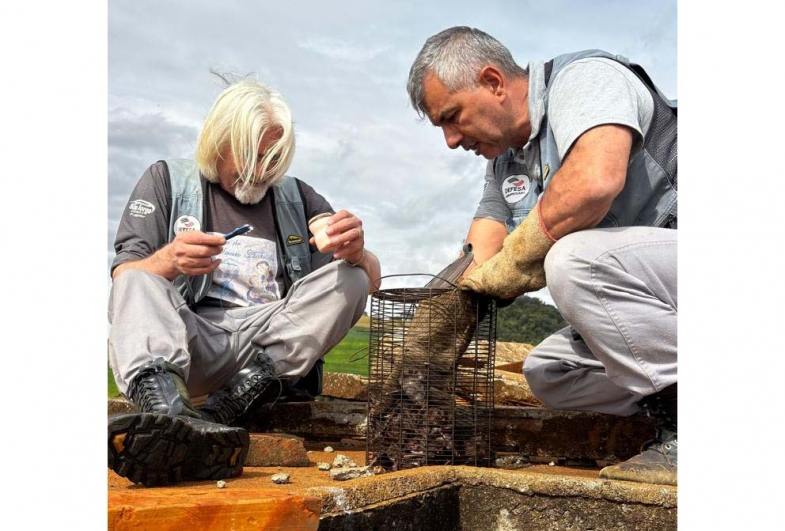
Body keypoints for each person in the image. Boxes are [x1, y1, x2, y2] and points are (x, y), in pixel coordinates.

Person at [407, 27, 676, 486]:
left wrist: (521, 256)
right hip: (662, 299)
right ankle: (666, 410)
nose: (451, 140)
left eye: (452, 117)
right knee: (549, 372)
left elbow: (594, 181)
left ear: (493, 82)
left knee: (572, 260)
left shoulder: (585, 78)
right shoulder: (505, 163)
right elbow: (481, 257)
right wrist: (423, 341)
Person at [107, 77, 381, 487]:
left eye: (274, 156)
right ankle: (168, 412)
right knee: (136, 280)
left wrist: (358, 251)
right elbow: (123, 275)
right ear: (220, 141)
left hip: (267, 354)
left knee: (352, 279)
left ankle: (224, 412)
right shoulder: (166, 179)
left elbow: (371, 280)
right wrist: (169, 259)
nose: (263, 169)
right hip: (189, 341)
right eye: (253, 155)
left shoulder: (297, 196)